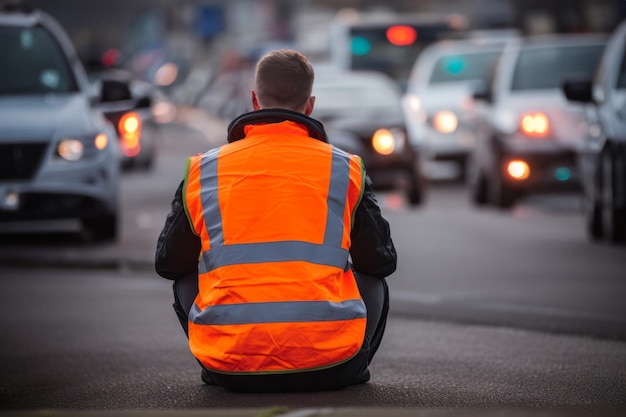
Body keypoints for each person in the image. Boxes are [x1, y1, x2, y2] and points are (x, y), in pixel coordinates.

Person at [155, 49, 397, 393]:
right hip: (331, 366)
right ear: (309, 105)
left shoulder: (204, 170)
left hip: (230, 367)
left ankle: (215, 359)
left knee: (184, 277)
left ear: (255, 101)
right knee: (372, 281)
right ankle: (354, 362)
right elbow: (382, 261)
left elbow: (168, 264)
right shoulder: (344, 168)